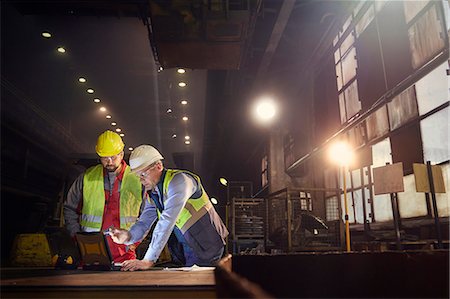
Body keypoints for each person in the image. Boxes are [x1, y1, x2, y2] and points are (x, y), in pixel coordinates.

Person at [109, 144, 229, 271]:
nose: (141, 180)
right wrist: (128, 236)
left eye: (143, 174)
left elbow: (166, 221)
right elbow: (144, 222)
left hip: (206, 245)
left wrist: (148, 260)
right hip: (184, 247)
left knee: (199, 287)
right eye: (138, 176)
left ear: (158, 166)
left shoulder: (180, 181)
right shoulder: (153, 192)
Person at [64, 130, 143, 263]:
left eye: (113, 156)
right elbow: (69, 208)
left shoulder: (137, 179)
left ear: (122, 154)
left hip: (126, 253)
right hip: (90, 251)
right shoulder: (87, 178)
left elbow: (149, 213)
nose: (109, 161)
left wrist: (135, 241)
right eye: (105, 157)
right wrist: (77, 237)